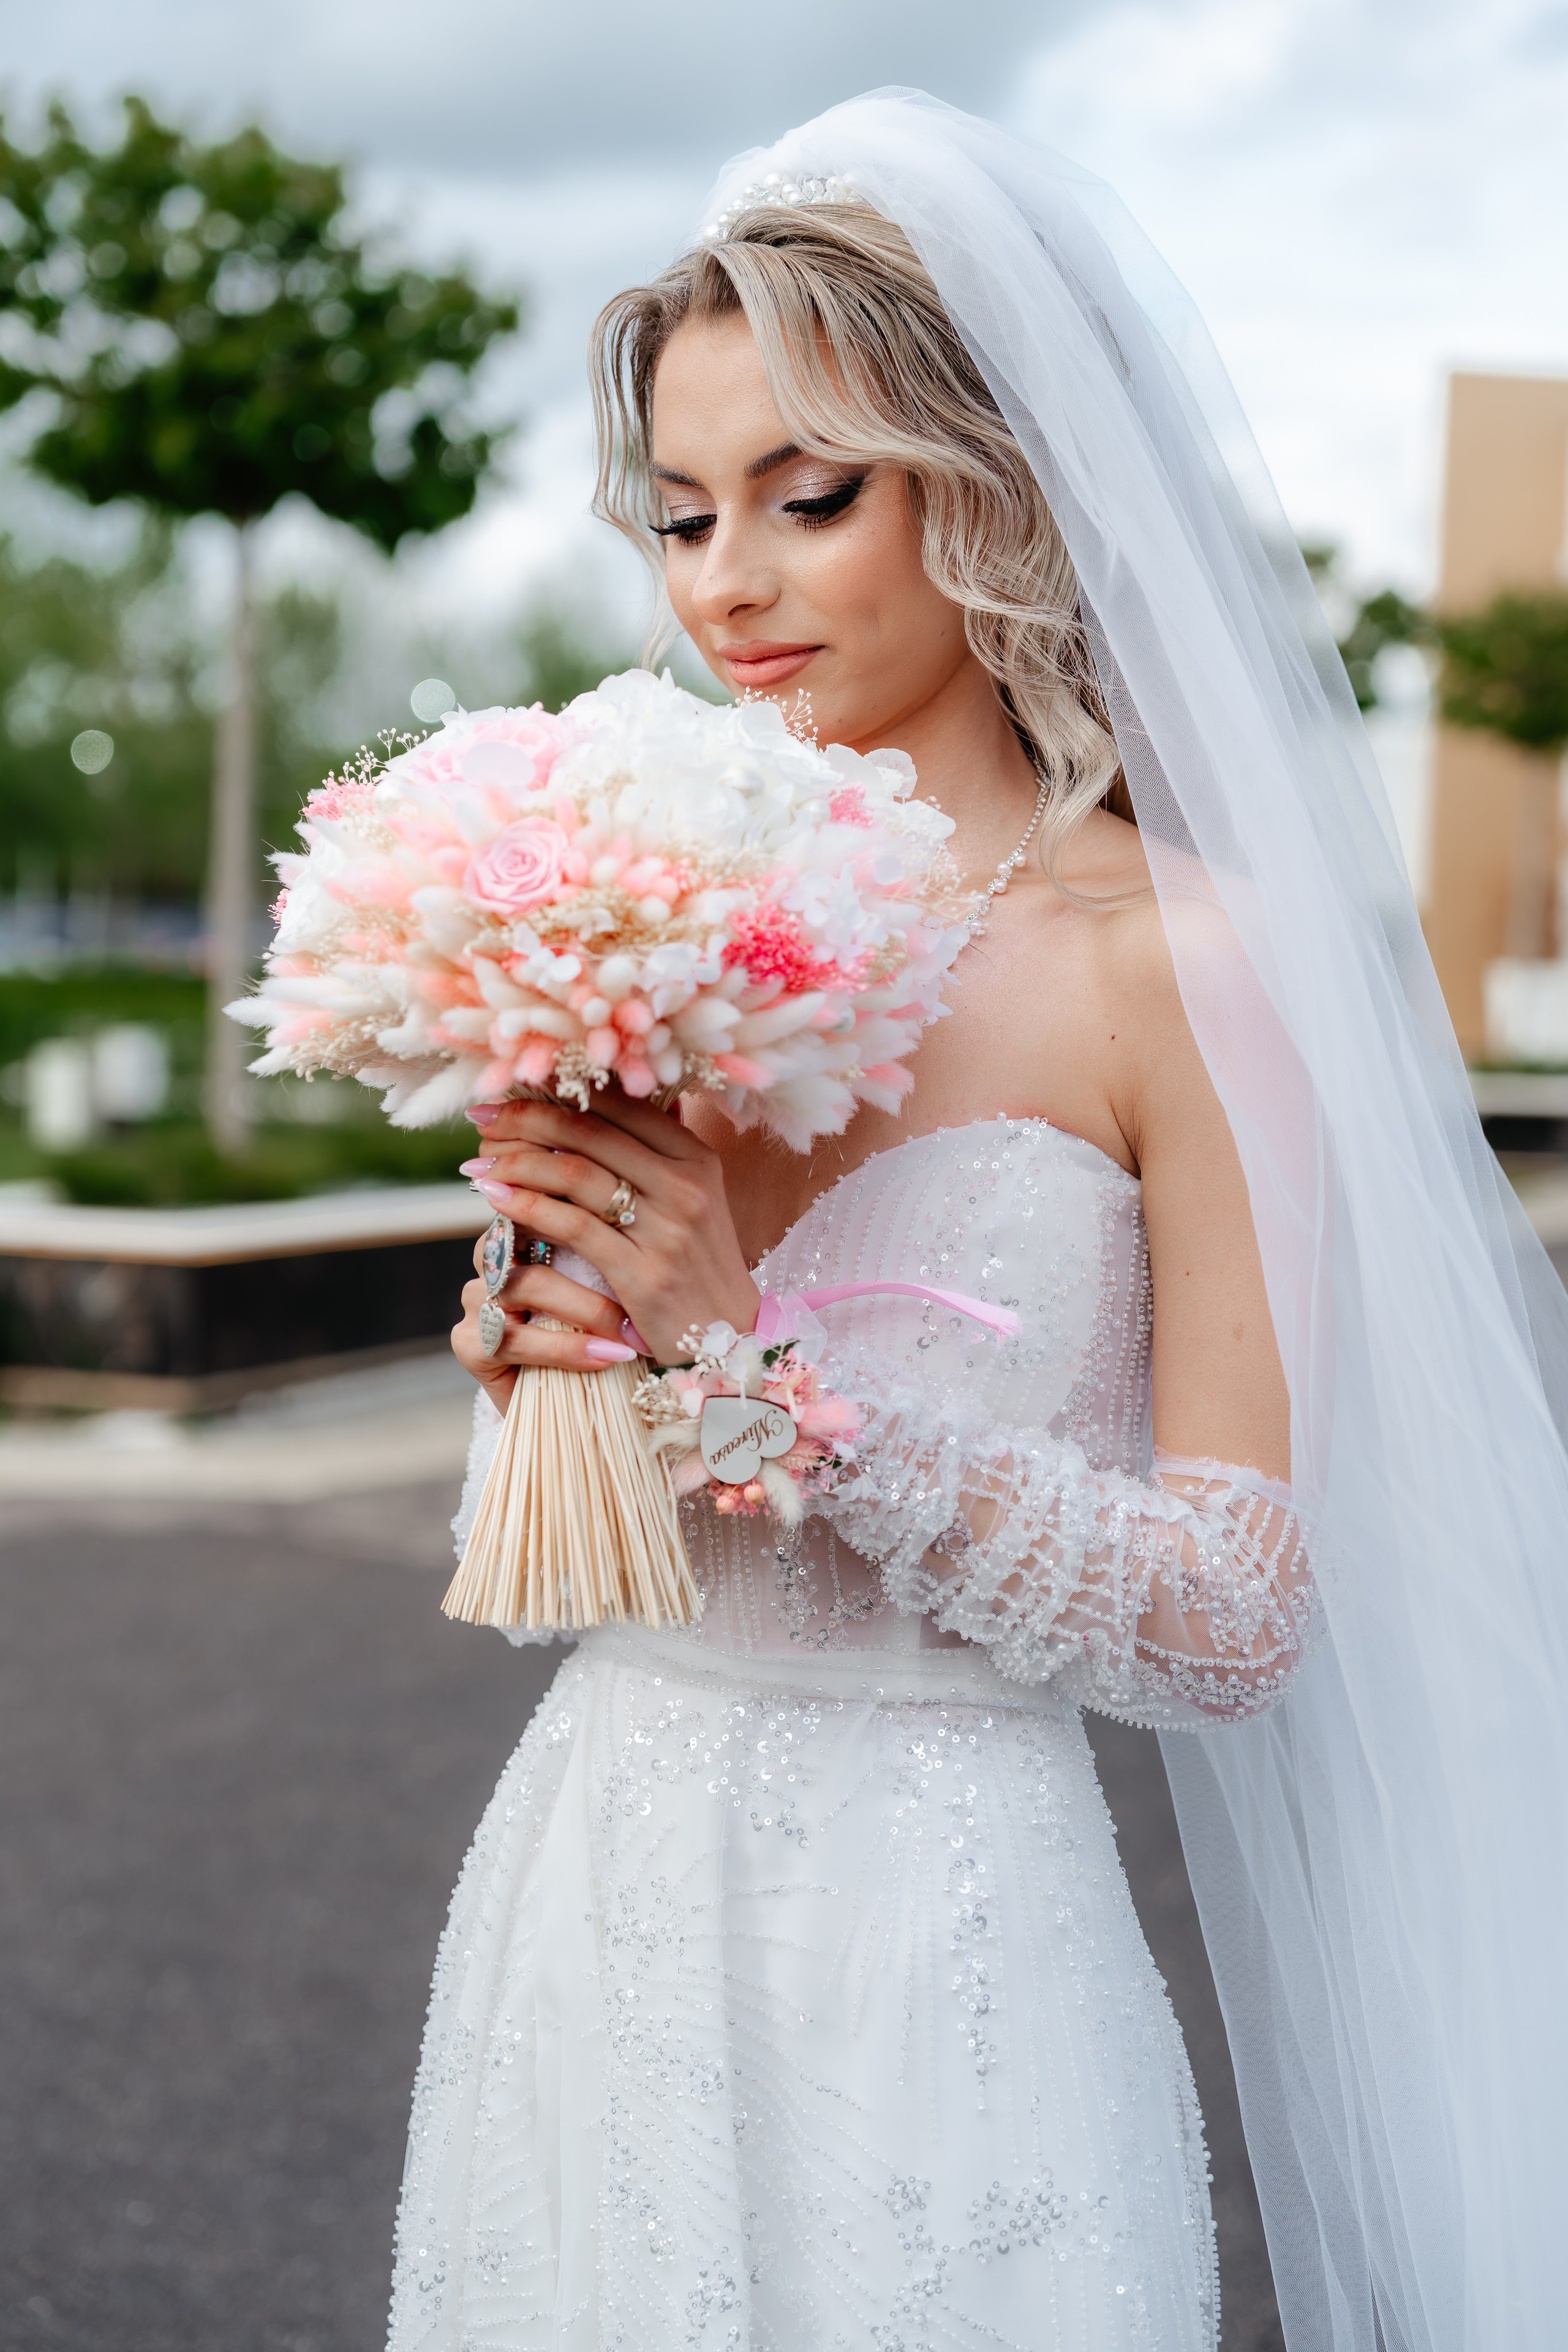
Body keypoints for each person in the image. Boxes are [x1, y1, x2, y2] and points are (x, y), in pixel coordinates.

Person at [387, 97, 1568, 2352]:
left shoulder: (1182, 966)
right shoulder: (648, 935)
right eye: (685, 513)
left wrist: (772, 1386)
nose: (728, 579)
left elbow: (1232, 1618)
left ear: (992, 485)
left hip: (945, 1949)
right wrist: (551, 1372)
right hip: (596, 1885)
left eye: (810, 499)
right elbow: (543, 1582)